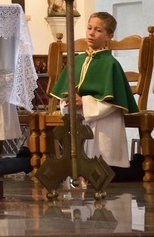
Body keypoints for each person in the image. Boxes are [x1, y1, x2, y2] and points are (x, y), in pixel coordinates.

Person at [50, 12, 139, 170]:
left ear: (109, 36)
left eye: (98, 30)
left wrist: (83, 102)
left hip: (104, 120)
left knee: (102, 166)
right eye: (89, 28)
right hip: (78, 119)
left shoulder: (110, 64)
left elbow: (114, 102)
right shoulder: (76, 61)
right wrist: (70, 102)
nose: (91, 33)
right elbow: (64, 93)